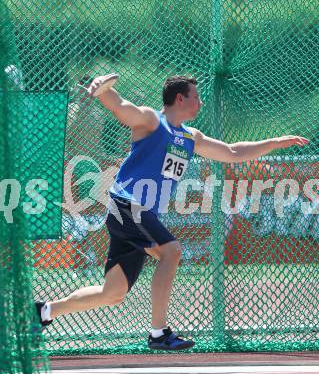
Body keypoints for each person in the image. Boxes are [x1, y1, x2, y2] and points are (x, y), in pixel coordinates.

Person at [36, 73, 308, 351]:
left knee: (112, 293)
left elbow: (232, 152)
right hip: (128, 206)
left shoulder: (190, 137)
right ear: (180, 98)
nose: (200, 103)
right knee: (172, 251)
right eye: (196, 97)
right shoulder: (153, 122)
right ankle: (159, 333)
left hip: (139, 213)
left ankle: (45, 311)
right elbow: (122, 108)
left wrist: (274, 142)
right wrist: (103, 90)